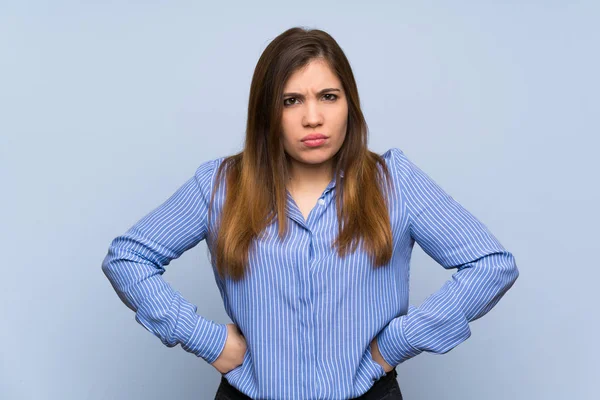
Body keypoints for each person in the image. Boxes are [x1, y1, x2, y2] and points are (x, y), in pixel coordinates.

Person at [101, 27, 519, 400]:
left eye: (328, 97)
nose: (313, 117)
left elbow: (490, 264)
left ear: (349, 104)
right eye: (291, 100)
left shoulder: (395, 183)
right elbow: (127, 259)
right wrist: (204, 340)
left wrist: (396, 343)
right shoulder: (221, 185)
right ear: (267, 112)